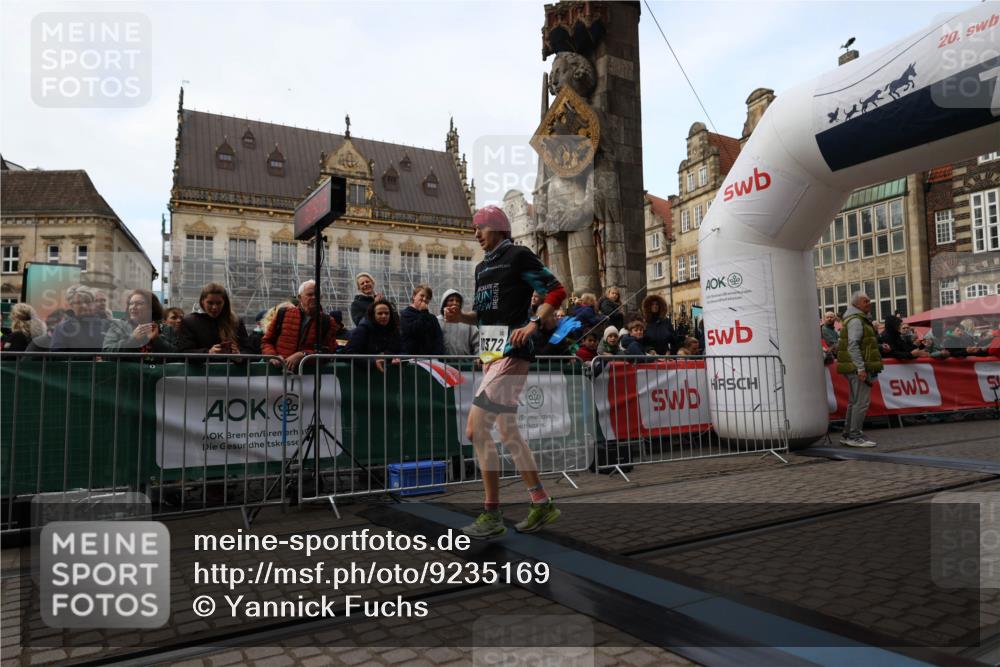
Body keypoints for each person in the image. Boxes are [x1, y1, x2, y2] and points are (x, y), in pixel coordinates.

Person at [442, 205, 566, 539]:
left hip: (513, 353)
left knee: (474, 429)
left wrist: (533, 323)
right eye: (473, 229)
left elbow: (556, 291)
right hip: (494, 356)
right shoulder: (482, 267)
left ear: (497, 226)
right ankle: (541, 502)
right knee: (508, 432)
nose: (476, 234)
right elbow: (486, 318)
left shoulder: (517, 255)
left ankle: (492, 513)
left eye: (479, 227)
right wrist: (462, 318)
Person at [837, 292, 883, 448]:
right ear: (857, 304)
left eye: (869, 300)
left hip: (853, 366)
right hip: (858, 367)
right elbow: (853, 345)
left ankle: (848, 434)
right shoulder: (857, 320)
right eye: (866, 301)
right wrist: (861, 368)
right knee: (861, 403)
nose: (869, 303)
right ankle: (854, 435)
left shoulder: (855, 319)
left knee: (854, 402)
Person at [261, 280, 336, 371]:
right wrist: (273, 356)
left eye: (317, 295)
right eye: (309, 294)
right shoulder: (283, 313)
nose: (314, 297)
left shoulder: (328, 321)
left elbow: (328, 351)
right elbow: (266, 341)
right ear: (300, 297)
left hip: (309, 376)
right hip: (278, 374)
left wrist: (304, 355)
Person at [175, 283, 251, 356]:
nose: (214, 307)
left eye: (219, 303)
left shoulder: (236, 321)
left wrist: (239, 356)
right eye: (210, 303)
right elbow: (184, 351)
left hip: (230, 368)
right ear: (202, 302)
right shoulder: (189, 322)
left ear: (224, 303)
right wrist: (208, 353)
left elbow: (249, 350)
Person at [103, 289, 175, 354]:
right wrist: (133, 339)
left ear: (152, 308)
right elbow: (106, 352)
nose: (133, 307)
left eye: (139, 303)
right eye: (131, 304)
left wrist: (156, 339)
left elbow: (176, 355)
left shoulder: (166, 329)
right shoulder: (117, 326)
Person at [345, 298, 403, 373]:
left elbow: (404, 350)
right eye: (380, 313)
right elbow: (349, 352)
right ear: (373, 315)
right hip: (365, 376)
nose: (384, 316)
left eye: (387, 313)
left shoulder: (394, 330)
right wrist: (372, 363)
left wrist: (398, 358)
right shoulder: (363, 330)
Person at [50, 287, 109, 352]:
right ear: (71, 306)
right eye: (78, 302)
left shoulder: (107, 327)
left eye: (87, 301)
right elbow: (57, 357)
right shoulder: (63, 329)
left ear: (94, 304)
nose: (84, 305)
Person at [400, 284, 445, 356]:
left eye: (427, 297)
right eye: (422, 295)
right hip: (411, 359)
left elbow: (438, 339)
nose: (424, 299)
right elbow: (415, 330)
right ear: (414, 296)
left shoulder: (432, 318)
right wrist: (423, 313)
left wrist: (437, 356)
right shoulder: (405, 314)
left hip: (430, 360)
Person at [438, 289, 479, 357]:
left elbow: (477, 342)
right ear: (444, 302)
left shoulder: (467, 321)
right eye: (451, 300)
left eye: (458, 301)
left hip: (464, 364)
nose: (455, 303)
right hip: (441, 365)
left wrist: (477, 357)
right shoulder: (437, 321)